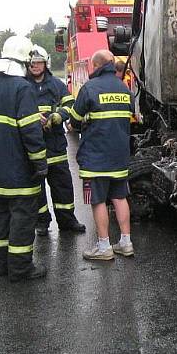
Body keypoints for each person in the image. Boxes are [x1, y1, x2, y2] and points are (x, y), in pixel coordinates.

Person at [0, 35, 48, 281]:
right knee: (23, 220)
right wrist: (39, 162)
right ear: (25, 60)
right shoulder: (22, 88)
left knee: (2, 217)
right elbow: (30, 130)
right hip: (19, 172)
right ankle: (20, 269)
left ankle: (3, 266)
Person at [68, 50, 134, 260]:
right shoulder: (124, 89)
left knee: (98, 200)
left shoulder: (89, 88)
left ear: (96, 66)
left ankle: (104, 246)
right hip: (120, 155)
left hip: (96, 156)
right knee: (119, 197)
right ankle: (126, 242)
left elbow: (75, 121)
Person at [27, 45, 86, 235]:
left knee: (63, 187)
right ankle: (41, 223)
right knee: (36, 190)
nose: (34, 66)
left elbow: (70, 104)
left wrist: (58, 116)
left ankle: (67, 221)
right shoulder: (23, 86)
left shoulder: (56, 85)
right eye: (31, 63)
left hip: (55, 146)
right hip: (33, 147)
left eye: (38, 62)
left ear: (45, 64)